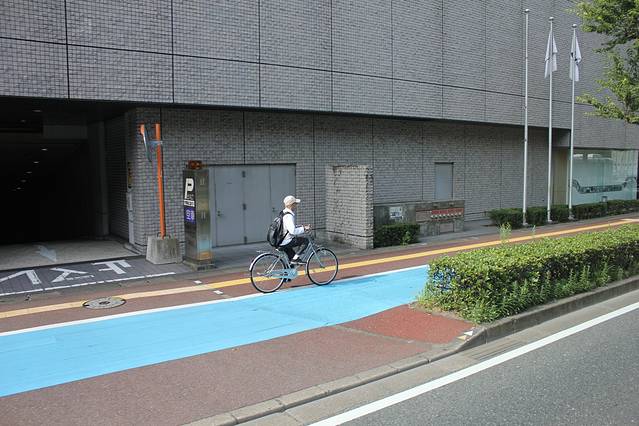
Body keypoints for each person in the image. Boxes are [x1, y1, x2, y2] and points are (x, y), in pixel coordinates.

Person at [279, 195, 310, 265]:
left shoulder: (283, 212)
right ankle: (295, 259)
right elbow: (292, 231)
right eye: (295, 204)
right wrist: (304, 229)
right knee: (305, 241)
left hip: (282, 240)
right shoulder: (289, 216)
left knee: (291, 263)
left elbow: (287, 227)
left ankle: (293, 261)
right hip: (286, 241)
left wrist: (301, 226)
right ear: (291, 205)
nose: (296, 205)